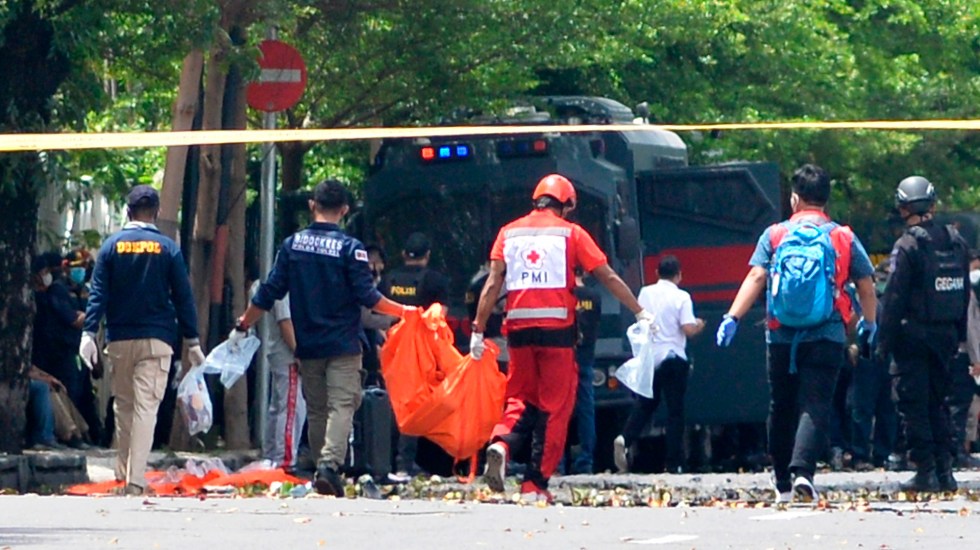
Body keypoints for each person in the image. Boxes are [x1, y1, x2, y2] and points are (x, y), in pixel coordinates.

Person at [471, 173, 656, 502]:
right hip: (556, 332)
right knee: (555, 408)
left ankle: (500, 443)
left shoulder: (508, 232)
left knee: (520, 399)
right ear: (567, 204)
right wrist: (639, 310)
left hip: (517, 332)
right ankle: (535, 483)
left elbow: (492, 283)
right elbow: (607, 275)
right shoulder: (571, 233)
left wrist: (477, 328)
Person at [229, 179, 415, 497]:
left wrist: (244, 323)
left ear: (312, 205)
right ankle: (329, 465)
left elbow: (269, 292)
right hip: (342, 344)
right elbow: (369, 297)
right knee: (342, 404)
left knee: (316, 409)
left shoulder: (292, 246)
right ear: (344, 210)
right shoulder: (350, 249)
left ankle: (321, 471)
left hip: (307, 344)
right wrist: (406, 310)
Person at [716, 164, 876, 503]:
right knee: (815, 404)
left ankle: (782, 483)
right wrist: (869, 323)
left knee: (781, 405)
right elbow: (865, 284)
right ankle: (803, 472)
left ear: (794, 199)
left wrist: (733, 316)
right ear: (826, 200)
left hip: (781, 335)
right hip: (827, 334)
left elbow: (757, 277)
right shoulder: (842, 236)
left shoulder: (775, 234)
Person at [79, 185, 206, 496]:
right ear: (158, 212)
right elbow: (183, 298)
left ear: (128, 211)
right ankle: (135, 480)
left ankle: (123, 474)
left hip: (119, 340)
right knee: (146, 408)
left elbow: (98, 295)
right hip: (157, 341)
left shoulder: (111, 247)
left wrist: (88, 332)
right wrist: (192, 341)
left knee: (123, 407)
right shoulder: (168, 249)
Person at [878, 176, 970, 492]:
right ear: (932, 204)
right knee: (940, 402)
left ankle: (925, 470)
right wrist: (958, 334)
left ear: (903, 207)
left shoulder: (908, 245)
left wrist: (882, 341)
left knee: (913, 404)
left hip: (912, 338)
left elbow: (893, 298)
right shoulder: (956, 240)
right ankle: (945, 471)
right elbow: (965, 293)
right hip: (946, 337)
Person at [614, 255, 704, 474]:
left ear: (657, 273)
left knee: (646, 404)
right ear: (679, 275)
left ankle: (624, 438)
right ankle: (674, 463)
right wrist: (700, 324)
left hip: (652, 359)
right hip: (674, 358)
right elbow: (688, 329)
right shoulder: (682, 296)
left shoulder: (645, 293)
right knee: (675, 412)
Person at [382, 232, 450, 479]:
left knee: (391, 406)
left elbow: (379, 313)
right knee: (416, 408)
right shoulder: (435, 281)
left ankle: (386, 463)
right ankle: (409, 465)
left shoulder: (389, 280)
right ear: (428, 255)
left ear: (403, 254)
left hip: (391, 352)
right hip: (421, 356)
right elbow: (439, 318)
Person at [848, 262, 898, 470]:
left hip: (887, 355)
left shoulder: (893, 299)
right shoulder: (856, 297)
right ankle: (860, 454)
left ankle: (882, 454)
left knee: (888, 407)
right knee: (862, 407)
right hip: (865, 355)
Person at [251, 286, 307, 473]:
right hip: (288, 354)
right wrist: (298, 353)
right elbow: (285, 322)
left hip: (283, 353)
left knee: (280, 406)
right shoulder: (285, 287)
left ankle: (273, 456)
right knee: (292, 408)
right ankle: (284, 460)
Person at [567, 271, 601, 474]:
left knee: (558, 411)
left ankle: (558, 462)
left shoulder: (563, 294)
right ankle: (585, 461)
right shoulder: (594, 297)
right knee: (587, 411)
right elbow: (596, 327)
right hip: (586, 358)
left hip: (564, 358)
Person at [949, 250, 980, 469]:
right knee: (960, 405)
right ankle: (957, 450)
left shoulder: (951, 289)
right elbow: (971, 327)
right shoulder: (968, 292)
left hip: (949, 352)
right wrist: (976, 358)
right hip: (963, 355)